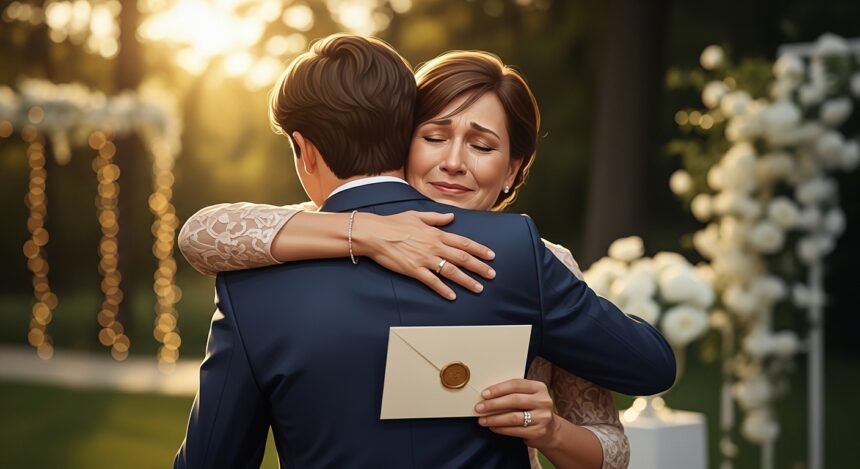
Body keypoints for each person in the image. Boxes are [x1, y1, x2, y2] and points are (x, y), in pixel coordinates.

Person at [175, 34, 674, 469]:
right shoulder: (297, 235)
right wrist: (368, 232)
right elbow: (203, 231)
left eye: (480, 146)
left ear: (514, 170)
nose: (452, 163)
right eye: (433, 137)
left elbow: (638, 390)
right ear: (401, 140)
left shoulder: (532, 257)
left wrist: (551, 431)